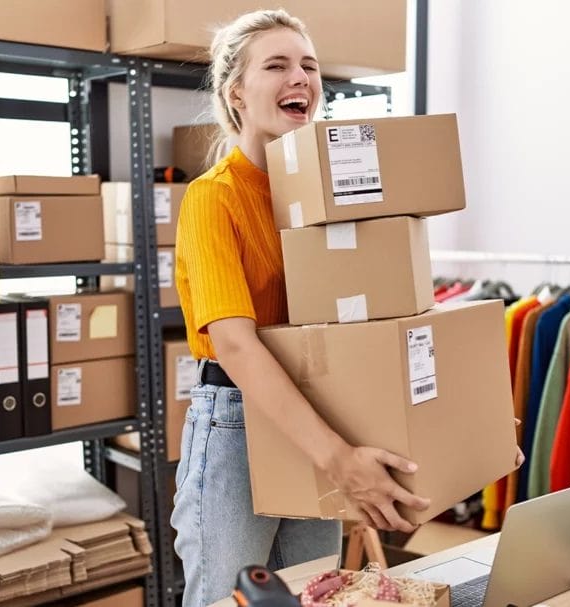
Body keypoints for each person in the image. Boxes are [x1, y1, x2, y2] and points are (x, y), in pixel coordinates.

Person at [169, 10, 433, 607]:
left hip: (315, 409)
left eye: (310, 66)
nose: (302, 78)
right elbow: (235, 343)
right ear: (235, 90)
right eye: (278, 65)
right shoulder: (214, 198)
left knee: (312, 595)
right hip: (237, 421)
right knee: (227, 600)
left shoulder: (322, 198)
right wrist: (338, 458)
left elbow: (378, 319)